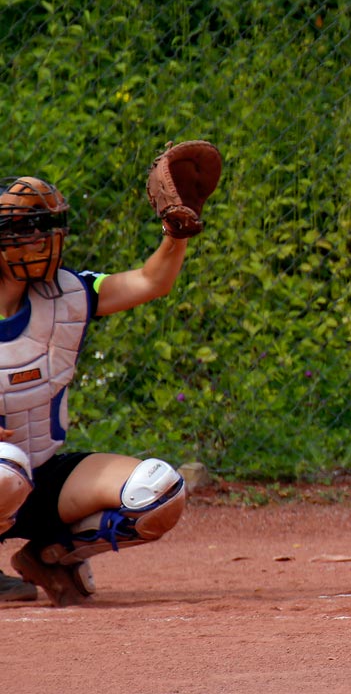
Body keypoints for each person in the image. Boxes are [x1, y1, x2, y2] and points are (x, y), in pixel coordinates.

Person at [0, 172, 206, 605]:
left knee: (159, 492)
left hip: (42, 476)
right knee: (5, 469)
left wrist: (177, 233)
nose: (41, 237)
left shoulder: (65, 294)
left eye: (45, 226)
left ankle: (51, 556)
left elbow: (151, 282)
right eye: (24, 228)